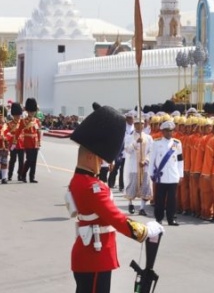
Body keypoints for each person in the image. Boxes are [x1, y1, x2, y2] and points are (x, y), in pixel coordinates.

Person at [68, 102, 163, 293]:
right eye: (99, 159)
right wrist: (145, 231)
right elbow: (117, 219)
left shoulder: (78, 180)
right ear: (89, 157)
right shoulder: (92, 187)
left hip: (88, 254)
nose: (102, 163)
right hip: (95, 257)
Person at [149, 119, 184, 226]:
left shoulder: (177, 143)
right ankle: (159, 218)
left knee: (172, 200)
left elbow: (180, 160)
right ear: (162, 131)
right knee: (160, 199)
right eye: (167, 131)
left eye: (171, 131)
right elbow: (152, 160)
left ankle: (171, 218)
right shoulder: (156, 143)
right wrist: (151, 173)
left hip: (173, 175)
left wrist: (180, 174)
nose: (169, 133)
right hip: (161, 176)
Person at [122, 116, 153, 215]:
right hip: (133, 166)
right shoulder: (129, 137)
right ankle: (130, 203)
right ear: (134, 125)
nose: (139, 126)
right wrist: (136, 142)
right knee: (132, 185)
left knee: (146, 186)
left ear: (144, 125)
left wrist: (146, 160)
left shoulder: (148, 137)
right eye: (137, 124)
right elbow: (127, 150)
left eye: (141, 124)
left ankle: (142, 208)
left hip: (144, 166)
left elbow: (151, 151)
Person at [18, 98, 42, 183]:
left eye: (33, 111)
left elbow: (38, 132)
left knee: (34, 160)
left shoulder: (37, 121)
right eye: (30, 111)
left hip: (35, 142)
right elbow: (19, 131)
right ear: (27, 111)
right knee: (29, 159)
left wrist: (39, 142)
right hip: (27, 142)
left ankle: (32, 177)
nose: (32, 113)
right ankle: (23, 174)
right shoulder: (23, 121)